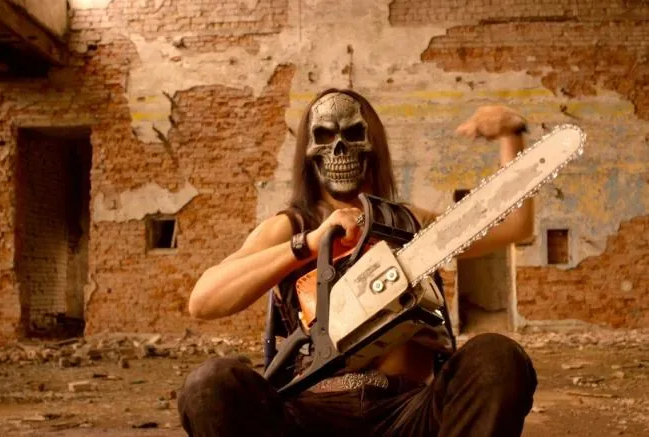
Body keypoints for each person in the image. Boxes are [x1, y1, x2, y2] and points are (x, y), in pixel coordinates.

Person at [177, 88, 538, 437]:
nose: (340, 149)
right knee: (209, 385)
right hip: (311, 413)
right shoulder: (291, 227)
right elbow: (203, 301)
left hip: (407, 411)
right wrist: (311, 243)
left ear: (373, 144)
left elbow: (515, 225)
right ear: (309, 152)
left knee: (497, 358)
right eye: (325, 136)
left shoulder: (408, 221)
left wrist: (511, 134)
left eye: (353, 135)